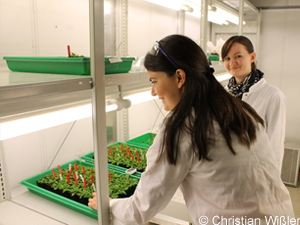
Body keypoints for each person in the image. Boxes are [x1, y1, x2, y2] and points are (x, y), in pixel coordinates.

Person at [88, 34, 294, 225]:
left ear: (179, 77)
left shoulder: (183, 126)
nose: (153, 92)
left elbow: (140, 209)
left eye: (154, 81)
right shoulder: (240, 109)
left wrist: (108, 205)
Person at [221, 35, 286, 171]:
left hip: (256, 172)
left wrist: (272, 182)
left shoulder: (273, 95)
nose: (232, 62)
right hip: (226, 170)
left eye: (238, 56)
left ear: (252, 57)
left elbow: (275, 146)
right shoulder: (223, 95)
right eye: (227, 58)